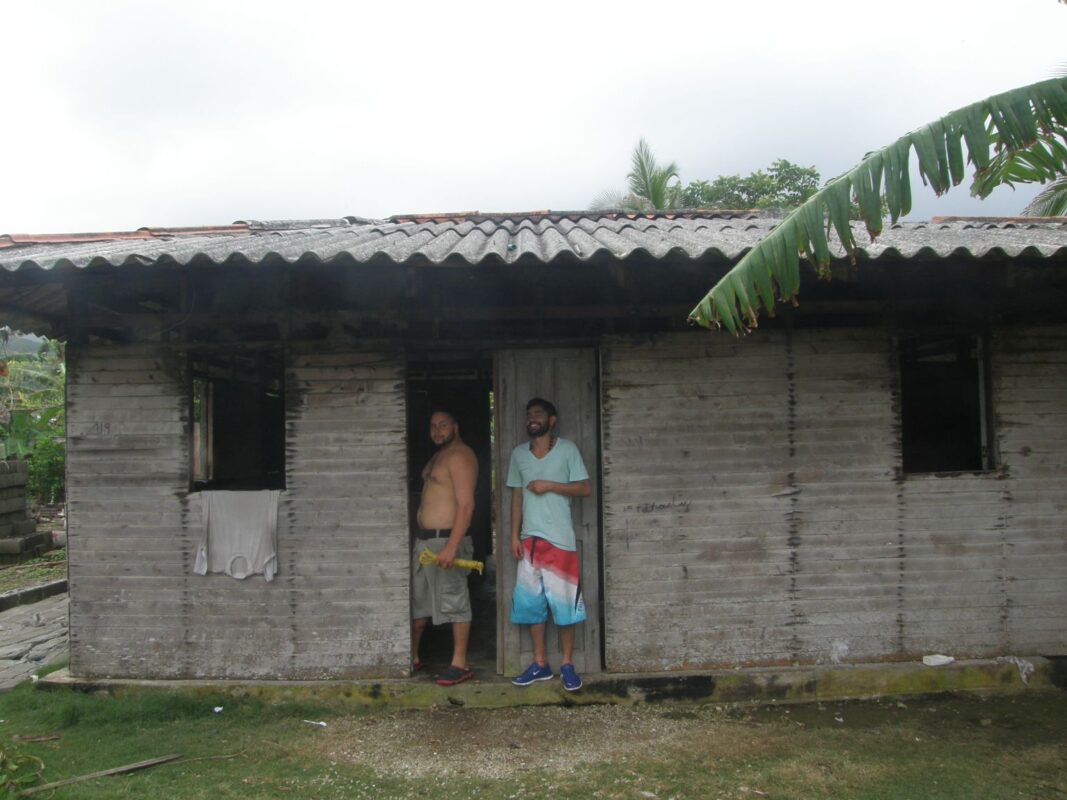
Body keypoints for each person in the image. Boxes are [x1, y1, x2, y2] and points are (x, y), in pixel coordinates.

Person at [507, 397, 592, 692]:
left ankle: (567, 665)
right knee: (532, 606)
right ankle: (540, 664)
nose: (532, 418)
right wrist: (512, 536)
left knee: (565, 605)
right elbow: (517, 497)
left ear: (551, 420)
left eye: (538, 414)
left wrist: (549, 485)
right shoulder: (519, 454)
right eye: (529, 414)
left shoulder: (568, 450)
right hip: (529, 541)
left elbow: (584, 487)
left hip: (561, 541)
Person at [411, 409, 478, 686]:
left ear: (456, 426)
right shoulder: (437, 456)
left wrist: (452, 546)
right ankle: (413, 656)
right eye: (433, 426)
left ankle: (459, 664)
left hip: (446, 540)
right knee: (418, 602)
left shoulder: (461, 455)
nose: (437, 431)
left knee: (454, 601)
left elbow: (466, 504)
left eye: (443, 425)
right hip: (425, 542)